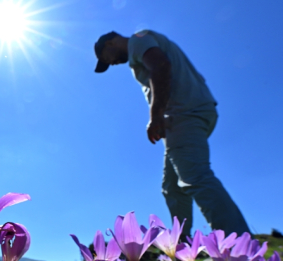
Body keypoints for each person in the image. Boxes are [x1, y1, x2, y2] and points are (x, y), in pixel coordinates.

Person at [94, 30, 250, 237]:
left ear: (110, 42)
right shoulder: (142, 43)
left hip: (184, 113)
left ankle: (240, 250)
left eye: (106, 59)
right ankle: (182, 247)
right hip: (189, 113)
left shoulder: (138, 41)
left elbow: (160, 65)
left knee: (195, 178)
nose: (111, 64)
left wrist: (156, 115)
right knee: (172, 187)